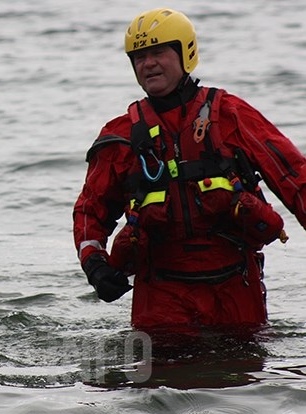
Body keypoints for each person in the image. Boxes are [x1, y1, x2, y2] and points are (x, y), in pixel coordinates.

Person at [73, 8, 306, 333]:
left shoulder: (231, 115)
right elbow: (90, 211)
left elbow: (295, 178)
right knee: (157, 379)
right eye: (139, 57)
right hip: (160, 293)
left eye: (158, 52)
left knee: (243, 377)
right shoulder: (121, 135)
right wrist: (95, 266)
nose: (148, 63)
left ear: (186, 54)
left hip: (234, 287)